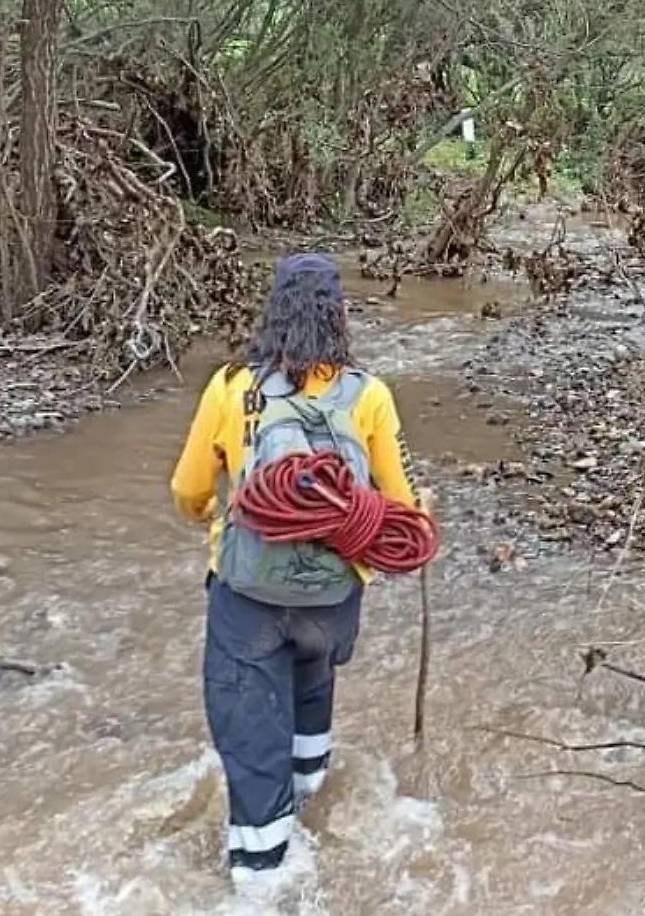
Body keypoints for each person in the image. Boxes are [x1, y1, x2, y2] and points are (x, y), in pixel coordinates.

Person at [169, 253, 423, 895]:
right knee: (312, 688)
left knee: (252, 734)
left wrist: (213, 515)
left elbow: (189, 489)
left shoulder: (232, 387)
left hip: (247, 597)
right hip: (333, 600)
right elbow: (399, 506)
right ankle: (313, 792)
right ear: (339, 315)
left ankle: (260, 879)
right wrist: (421, 518)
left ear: (272, 313)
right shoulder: (369, 395)